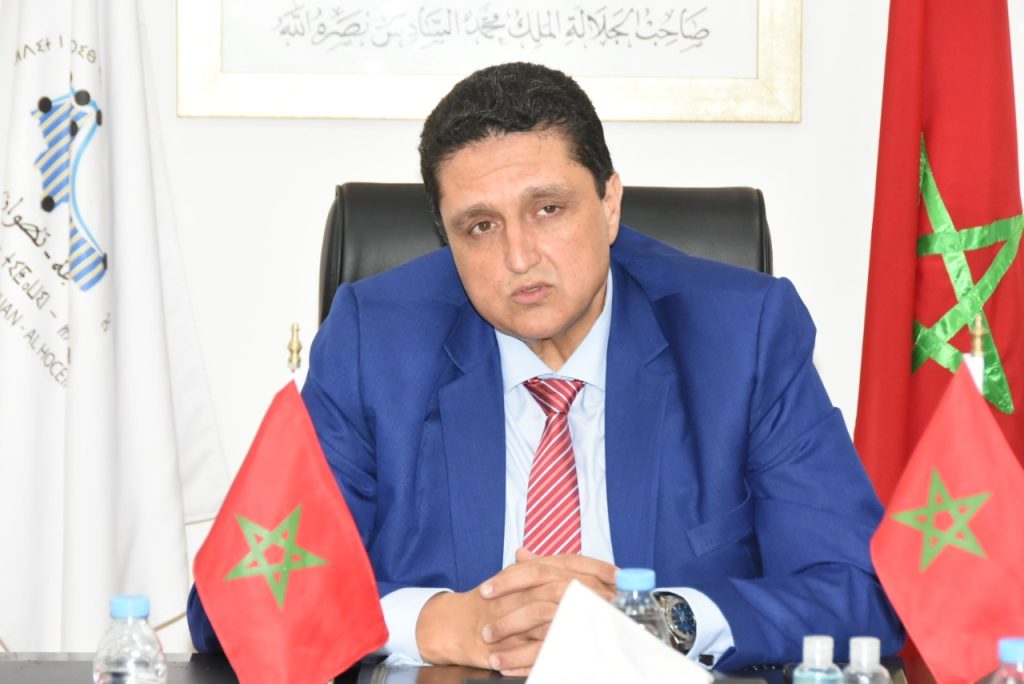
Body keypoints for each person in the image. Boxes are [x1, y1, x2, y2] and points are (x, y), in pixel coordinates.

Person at [188, 62, 903, 675]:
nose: (519, 257)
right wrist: (441, 624)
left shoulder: (741, 336)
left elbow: (861, 591)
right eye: (481, 226)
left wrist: (659, 620)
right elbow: (230, 604)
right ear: (446, 239)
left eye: (549, 208)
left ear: (610, 204)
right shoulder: (373, 343)